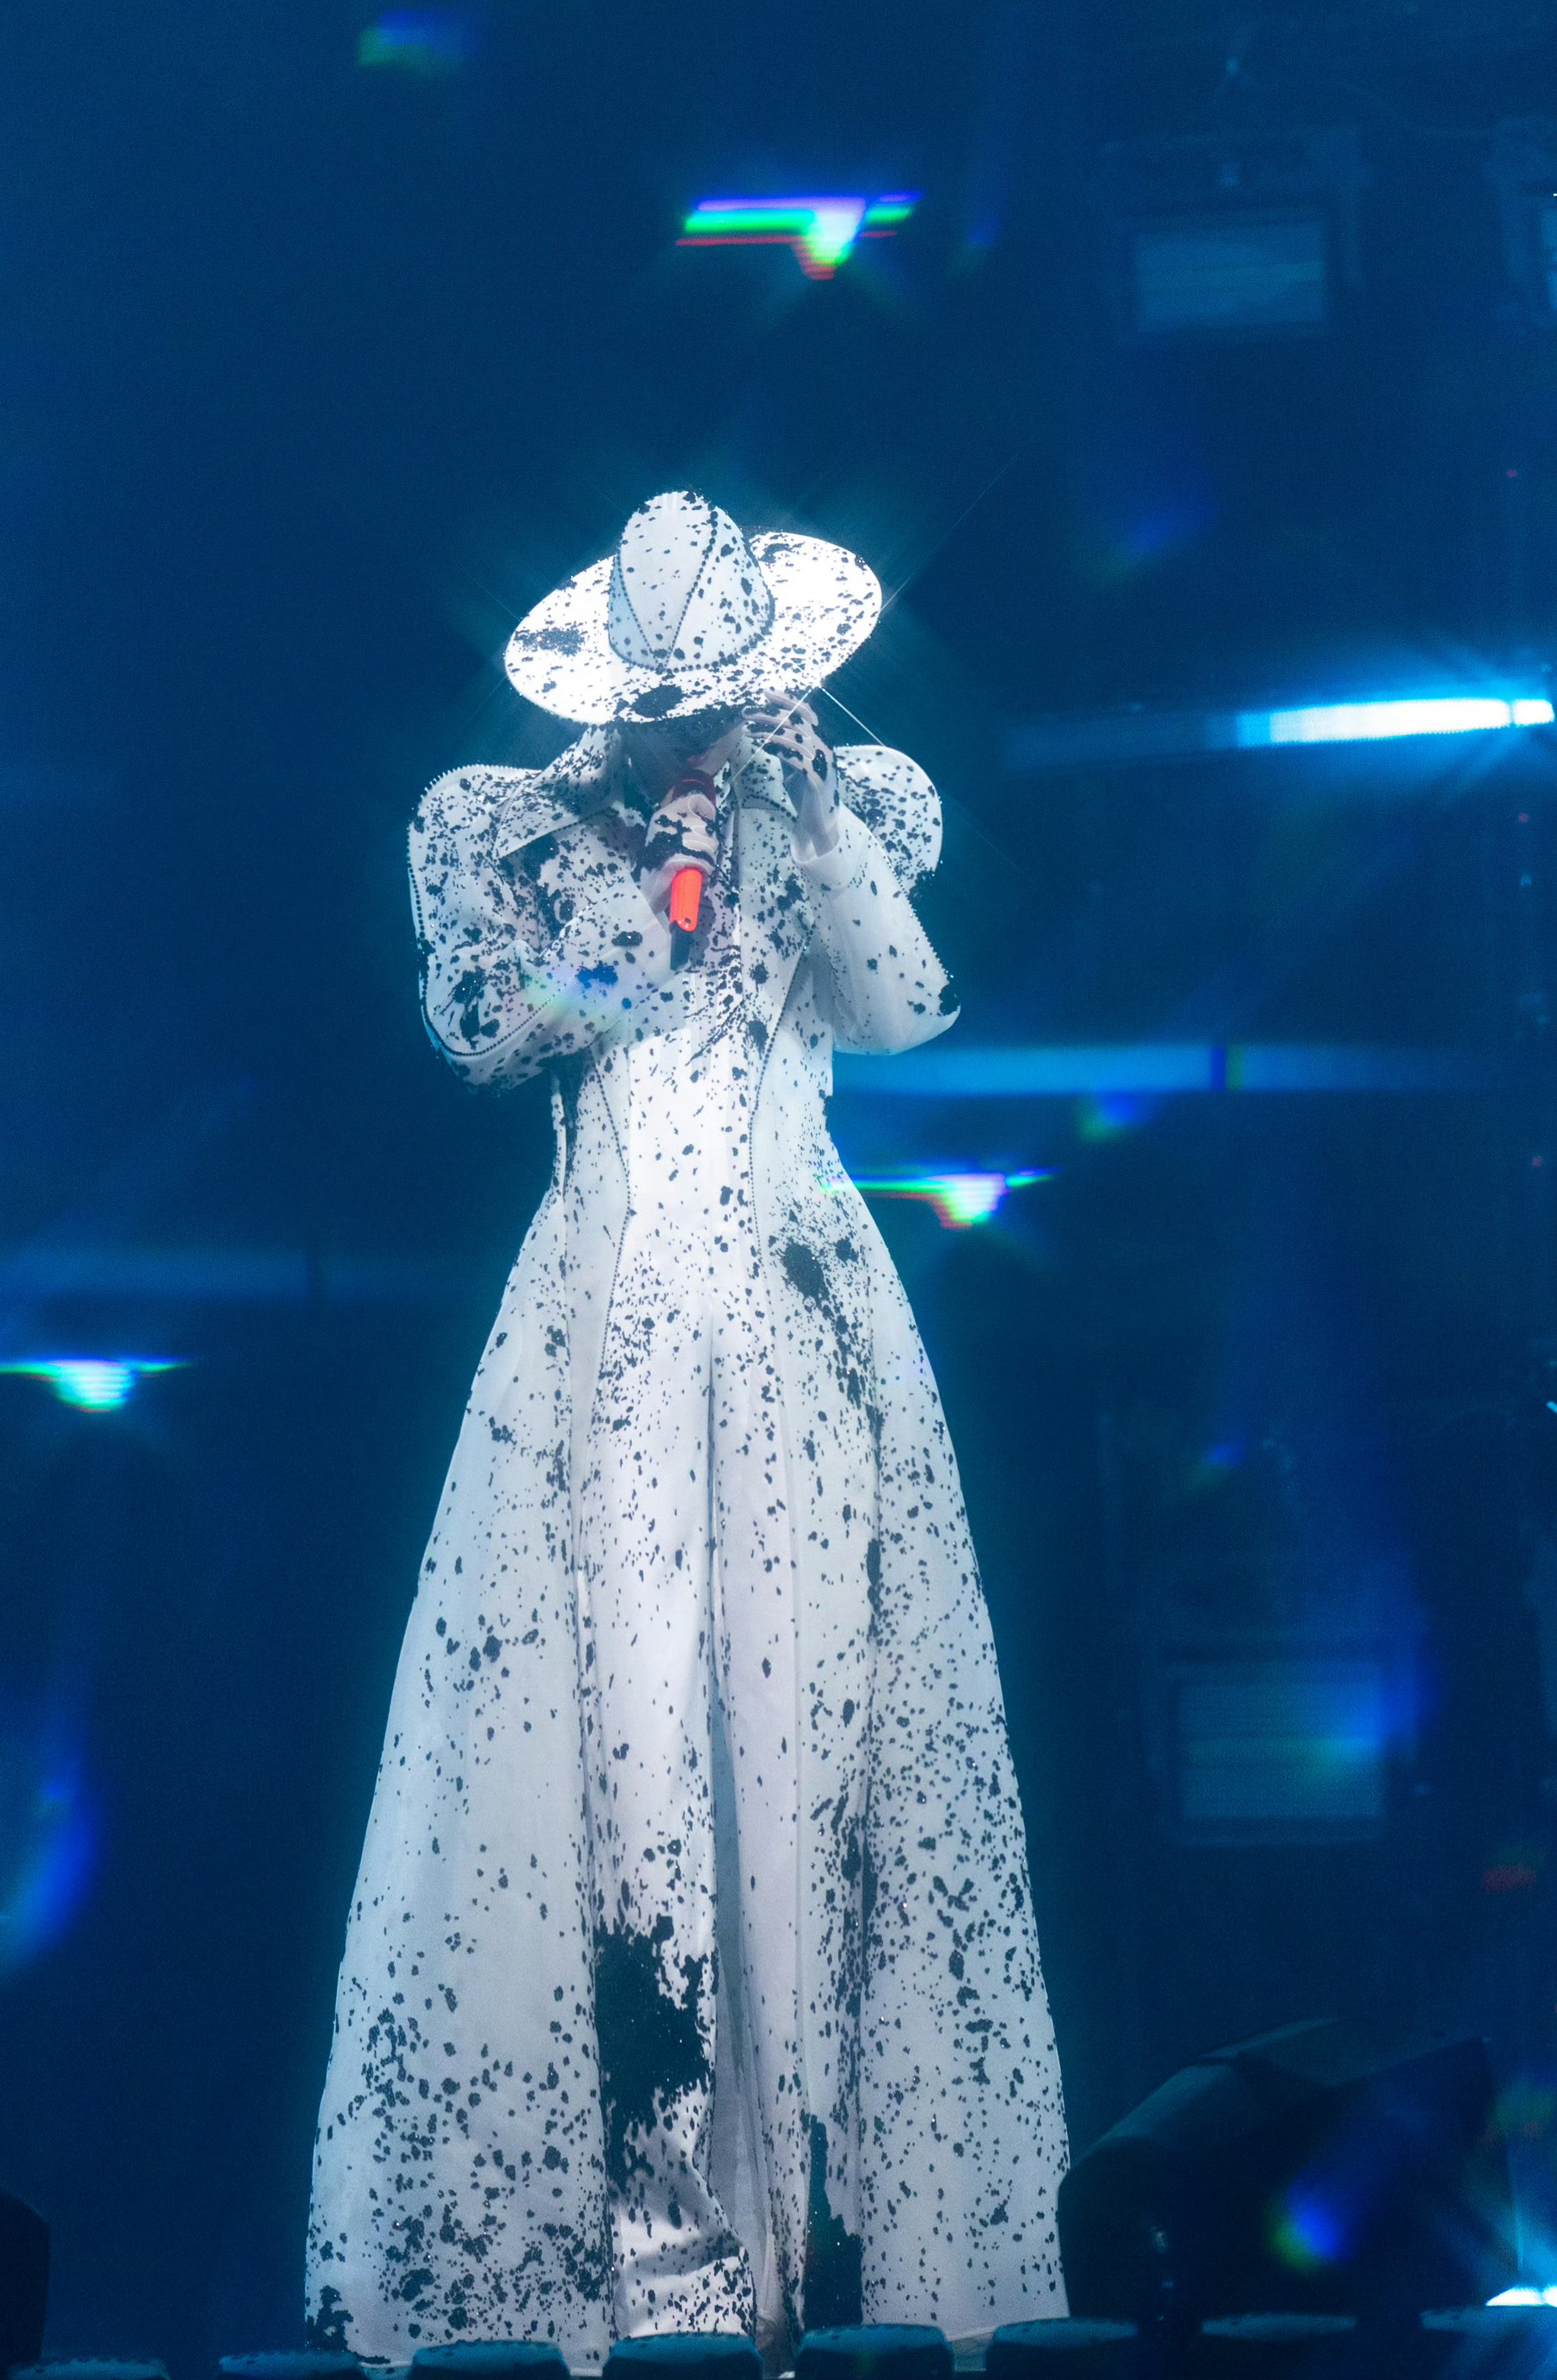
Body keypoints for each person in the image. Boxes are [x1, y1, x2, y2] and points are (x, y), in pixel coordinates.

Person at [308, 493, 1067, 2366]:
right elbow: (485, 1027)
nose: (706, 733)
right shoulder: (504, 827)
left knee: (810, 1753)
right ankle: (659, 2266)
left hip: (796, 1326)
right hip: (609, 1339)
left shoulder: (842, 806)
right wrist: (651, 894)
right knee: (625, 1757)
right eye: (678, 709)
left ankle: (819, 2256)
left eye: (730, 700)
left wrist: (805, 825)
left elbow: (902, 1009)